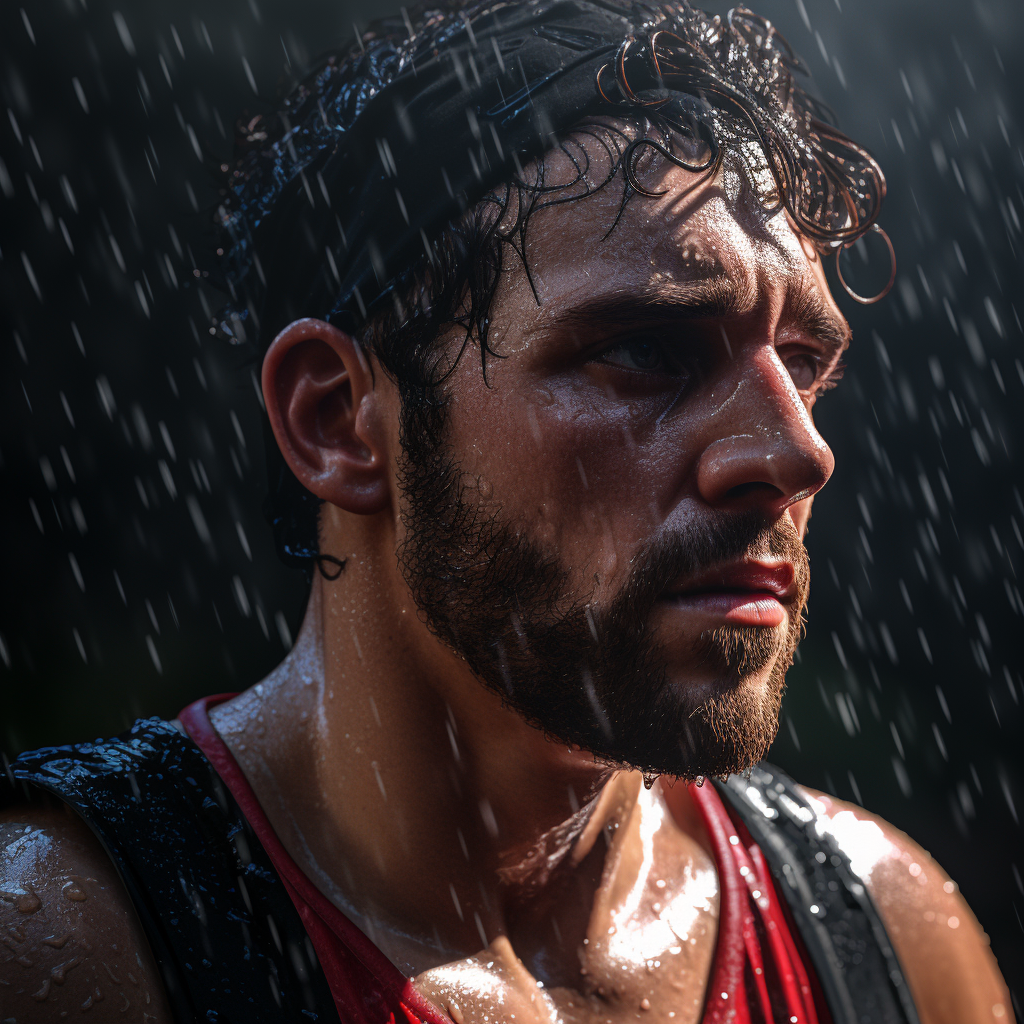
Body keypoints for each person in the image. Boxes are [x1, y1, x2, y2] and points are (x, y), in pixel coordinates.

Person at [0, 1, 1012, 1022]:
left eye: (802, 364)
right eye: (648, 351)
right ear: (339, 419)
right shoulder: (71, 942)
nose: (798, 451)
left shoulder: (884, 935)